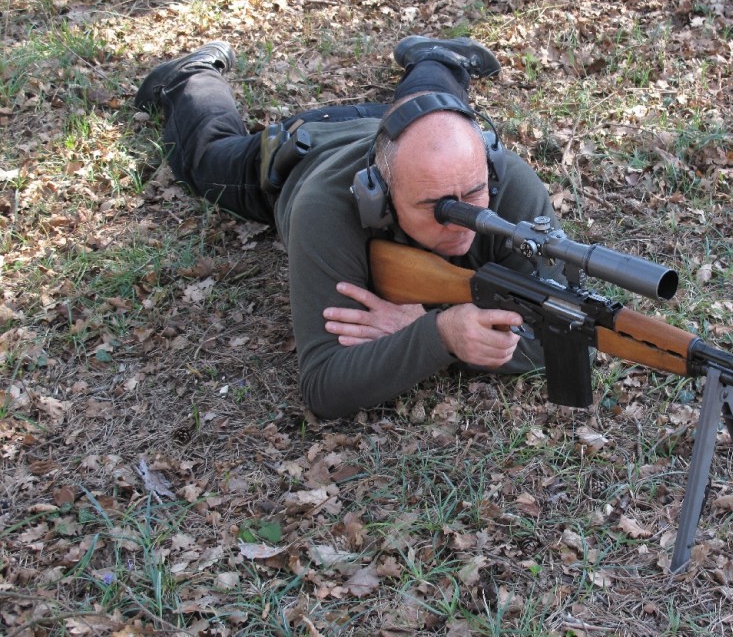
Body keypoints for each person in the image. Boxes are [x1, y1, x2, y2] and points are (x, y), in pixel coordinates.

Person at [134, 36, 562, 419]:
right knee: (206, 158)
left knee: (431, 103)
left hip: (414, 132)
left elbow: (560, 340)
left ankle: (436, 57)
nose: (462, 217)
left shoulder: (505, 181)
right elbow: (324, 386)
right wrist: (439, 334)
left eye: (474, 192)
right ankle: (189, 76)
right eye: (435, 205)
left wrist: (427, 323)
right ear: (379, 195)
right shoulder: (326, 207)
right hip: (306, 146)